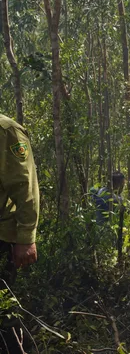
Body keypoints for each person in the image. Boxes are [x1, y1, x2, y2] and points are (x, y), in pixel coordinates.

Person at [0, 114, 39, 353]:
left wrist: (26, 238)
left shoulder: (6, 131)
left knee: (3, 313)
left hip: (2, 236)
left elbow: (25, 187)